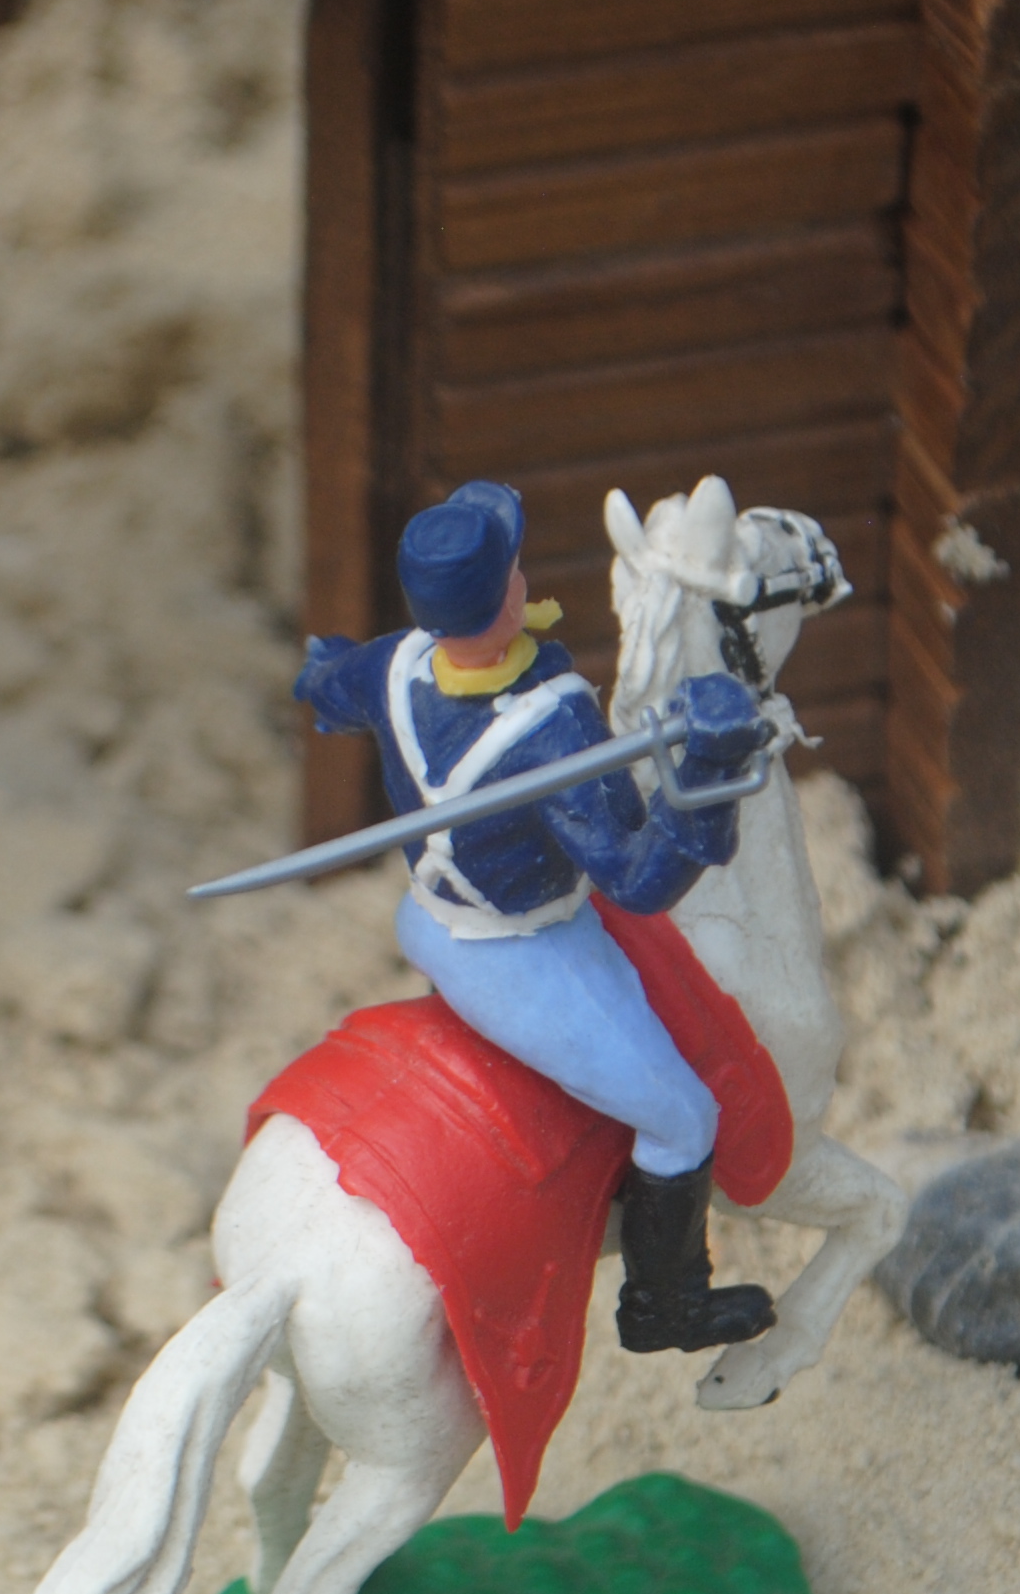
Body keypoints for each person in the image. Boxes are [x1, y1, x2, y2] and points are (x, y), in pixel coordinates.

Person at [291, 480, 776, 1354]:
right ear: (509, 596)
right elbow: (636, 880)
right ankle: (664, 1309)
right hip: (521, 951)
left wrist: (320, 673)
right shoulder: (554, 732)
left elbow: (334, 687)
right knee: (683, 1118)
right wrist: (709, 771)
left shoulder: (395, 663)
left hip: (427, 917)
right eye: (515, 567)